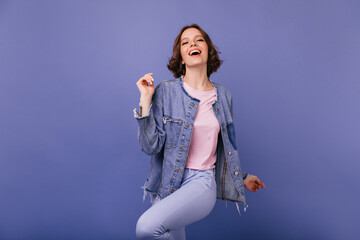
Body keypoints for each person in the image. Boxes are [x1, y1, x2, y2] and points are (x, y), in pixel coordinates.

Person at [133, 24, 265, 240]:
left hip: (201, 182)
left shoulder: (223, 96)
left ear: (208, 50)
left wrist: (242, 177)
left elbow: (225, 148)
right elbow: (150, 146)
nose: (192, 43)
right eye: (185, 42)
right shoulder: (166, 91)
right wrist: (145, 101)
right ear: (182, 58)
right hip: (168, 183)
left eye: (199, 40)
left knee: (146, 228)